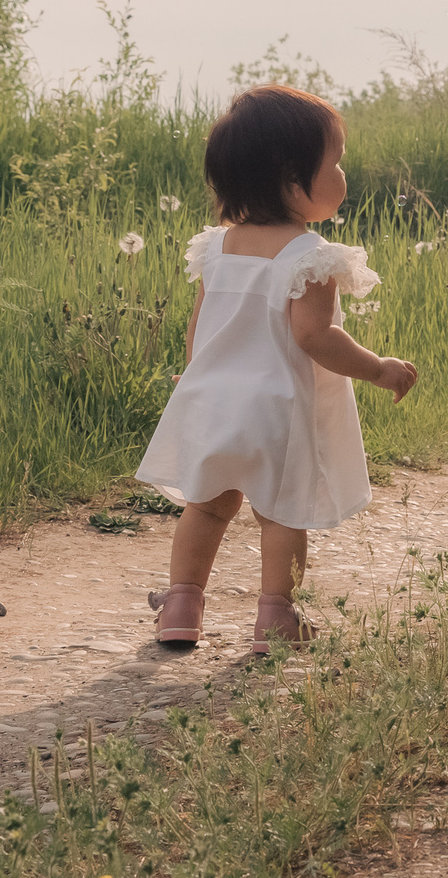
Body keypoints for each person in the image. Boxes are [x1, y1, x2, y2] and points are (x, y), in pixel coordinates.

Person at [136, 84, 419, 654]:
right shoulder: (309, 255)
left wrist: (195, 378)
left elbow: (202, 325)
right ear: (293, 178)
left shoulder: (219, 248)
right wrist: (379, 369)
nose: (343, 175)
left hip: (214, 399)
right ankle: (275, 618)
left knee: (207, 505)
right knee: (280, 512)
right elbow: (315, 336)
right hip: (277, 410)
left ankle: (181, 605)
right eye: (336, 162)